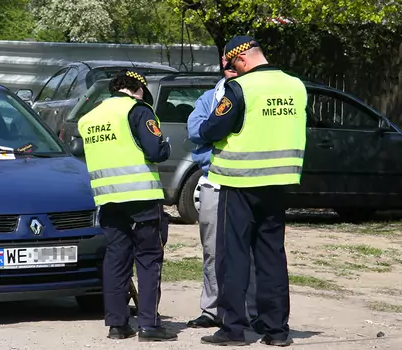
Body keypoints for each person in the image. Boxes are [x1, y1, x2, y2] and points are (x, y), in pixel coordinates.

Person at [197, 36, 307, 347]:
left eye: (233, 66)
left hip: (240, 181)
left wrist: (206, 131)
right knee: (271, 256)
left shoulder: (240, 88)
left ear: (242, 59)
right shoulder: (295, 85)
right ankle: (277, 331)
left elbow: (214, 128)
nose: (233, 71)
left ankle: (232, 329)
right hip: (278, 182)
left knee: (234, 257)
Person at [77, 70, 176, 342]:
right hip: (141, 197)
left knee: (116, 260)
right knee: (148, 259)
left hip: (107, 199)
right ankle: (148, 325)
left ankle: (117, 325)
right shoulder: (138, 111)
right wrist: (165, 147)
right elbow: (155, 151)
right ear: (138, 89)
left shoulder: (90, 118)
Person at [186, 58, 258, 329]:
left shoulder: (253, 96)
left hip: (246, 182)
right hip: (214, 182)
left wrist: (217, 134)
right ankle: (212, 309)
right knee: (213, 249)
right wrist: (220, 147)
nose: (229, 64)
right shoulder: (208, 98)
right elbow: (195, 131)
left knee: (249, 249)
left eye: (234, 59)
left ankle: (250, 310)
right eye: (224, 60)